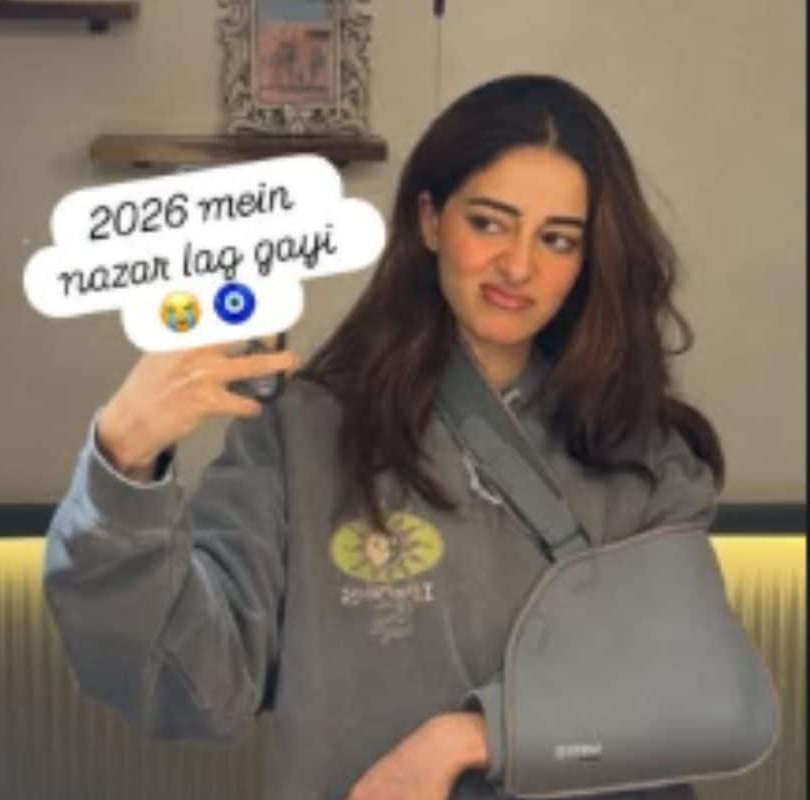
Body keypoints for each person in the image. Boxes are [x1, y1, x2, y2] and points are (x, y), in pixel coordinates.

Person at [44, 74, 768, 800]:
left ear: (587, 259)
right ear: (430, 220)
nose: (519, 265)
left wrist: (476, 738)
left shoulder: (642, 453)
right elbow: (189, 687)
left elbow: (706, 701)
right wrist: (124, 463)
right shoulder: (303, 434)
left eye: (557, 240)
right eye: (489, 223)